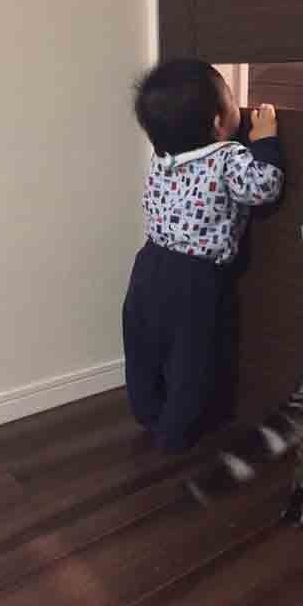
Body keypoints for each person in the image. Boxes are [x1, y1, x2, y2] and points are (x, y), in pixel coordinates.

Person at [123, 59, 284, 452]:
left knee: (144, 346)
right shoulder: (228, 157)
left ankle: (147, 411)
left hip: (148, 266)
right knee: (190, 357)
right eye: (231, 97)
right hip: (194, 277)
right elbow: (263, 187)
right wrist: (265, 141)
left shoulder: (162, 157)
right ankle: (174, 432)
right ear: (218, 122)